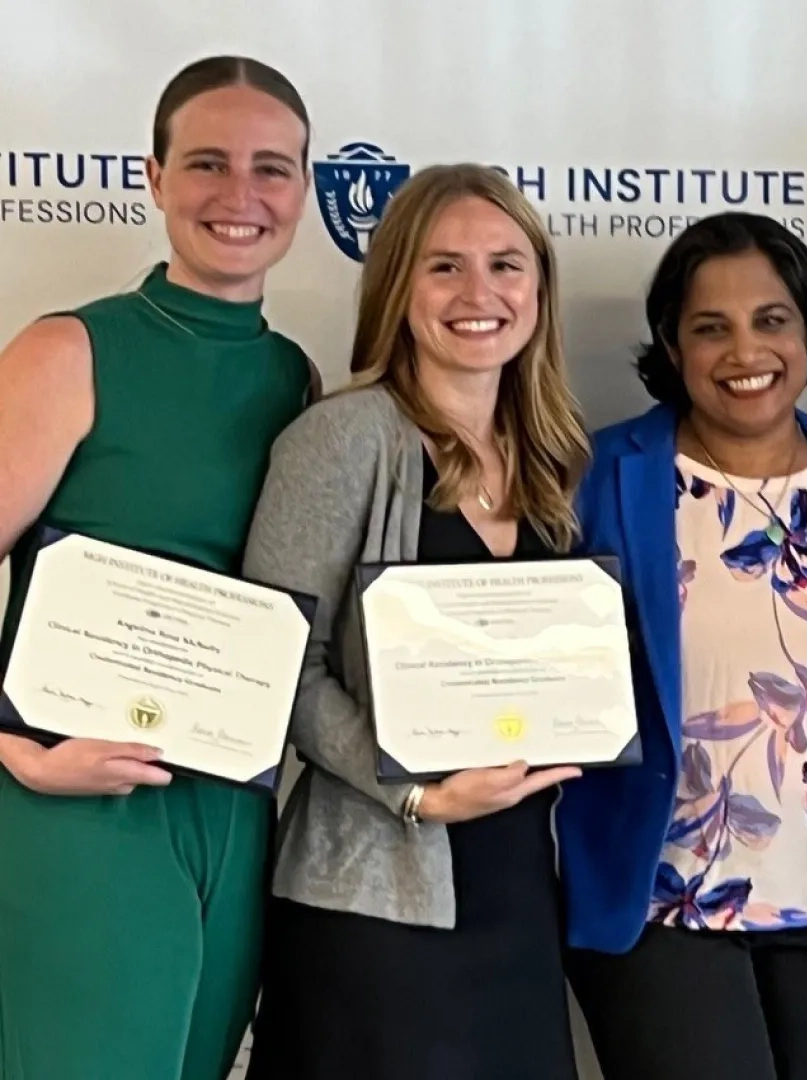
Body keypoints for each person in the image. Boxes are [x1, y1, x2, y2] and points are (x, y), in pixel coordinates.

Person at [237, 163, 590, 1079]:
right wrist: (419, 796)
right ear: (399, 287)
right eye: (444, 267)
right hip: (375, 896)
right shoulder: (345, 438)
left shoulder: (551, 458)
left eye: (505, 265)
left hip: (516, 888)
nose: (479, 293)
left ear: (539, 288)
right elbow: (277, 663)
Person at [0, 56, 315, 1080]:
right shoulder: (70, 351)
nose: (240, 195)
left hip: (235, 811)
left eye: (271, 169)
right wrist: (14, 755)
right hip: (79, 803)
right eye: (208, 163)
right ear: (153, 176)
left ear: (305, 189)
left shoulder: (296, 379)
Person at [555, 211, 807, 1080]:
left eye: (771, 320)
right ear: (672, 347)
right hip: (660, 905)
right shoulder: (596, 478)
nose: (745, 350)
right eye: (710, 328)